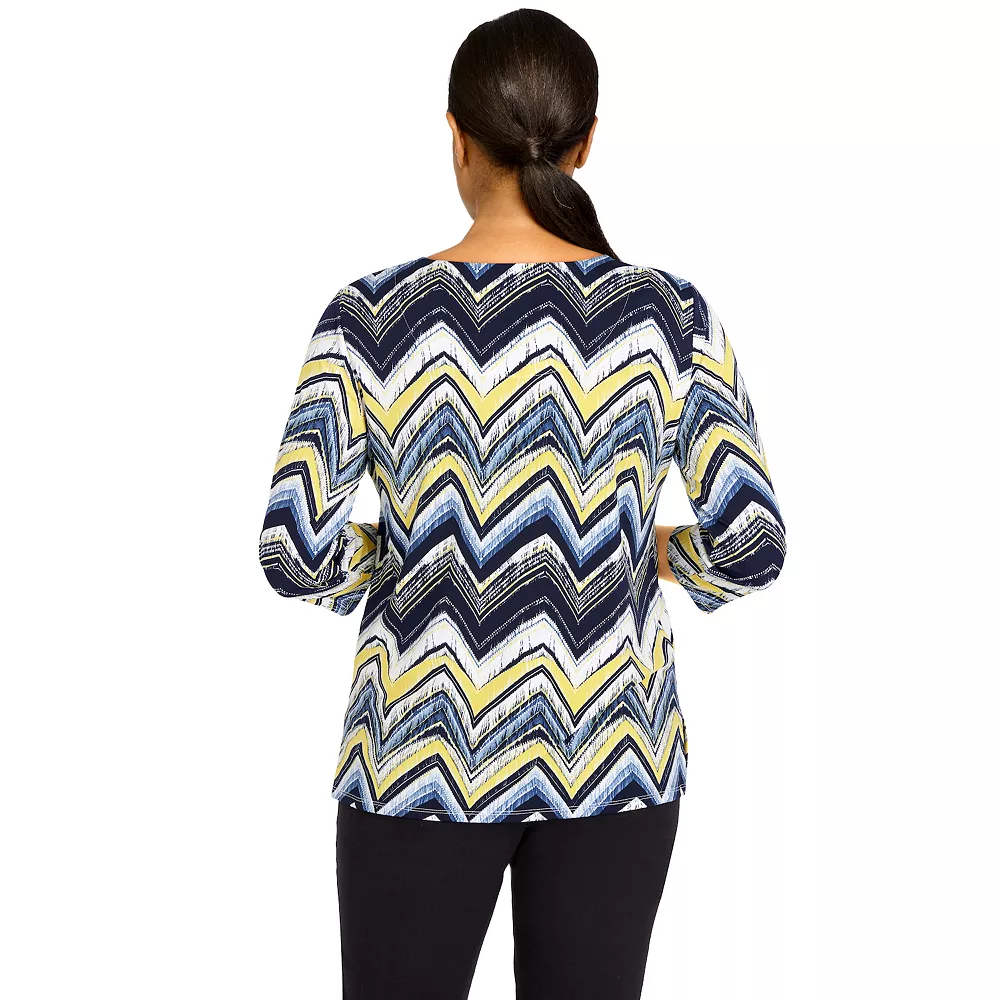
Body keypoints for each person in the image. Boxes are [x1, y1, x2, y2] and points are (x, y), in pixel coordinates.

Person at [258, 8, 787, 999]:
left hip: (415, 753)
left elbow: (297, 552)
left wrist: (422, 548)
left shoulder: (368, 315)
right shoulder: (670, 314)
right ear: (585, 144)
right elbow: (751, 544)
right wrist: (646, 552)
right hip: (616, 753)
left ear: (455, 137)